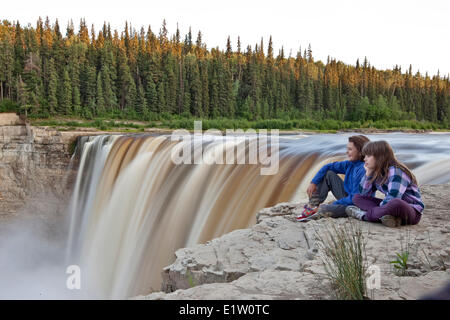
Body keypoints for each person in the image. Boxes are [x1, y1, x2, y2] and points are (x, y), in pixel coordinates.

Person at [346, 140, 424, 227]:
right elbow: (364, 194)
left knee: (395, 203)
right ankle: (390, 218)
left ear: (379, 157)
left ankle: (363, 216)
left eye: (368, 156)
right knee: (357, 198)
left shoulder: (396, 171)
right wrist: (368, 174)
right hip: (389, 207)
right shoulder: (377, 172)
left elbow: (393, 197)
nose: (364, 159)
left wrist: (380, 208)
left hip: (411, 211)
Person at [296, 135, 370, 221]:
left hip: (357, 204)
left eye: (350, 149)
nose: (347, 152)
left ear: (361, 152)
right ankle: (313, 205)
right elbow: (327, 167)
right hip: (349, 197)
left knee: (326, 209)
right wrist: (313, 182)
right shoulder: (350, 164)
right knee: (329, 174)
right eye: (347, 149)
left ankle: (317, 211)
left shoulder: (363, 170)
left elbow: (355, 199)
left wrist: (334, 204)